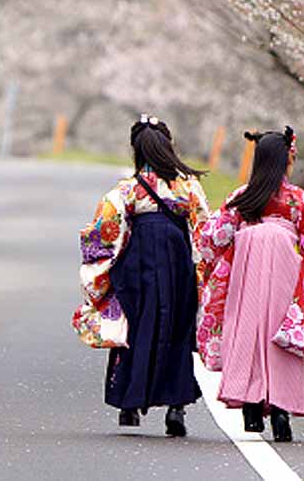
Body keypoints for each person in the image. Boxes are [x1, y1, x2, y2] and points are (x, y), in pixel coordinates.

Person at [196, 127, 304, 442]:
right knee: (280, 330)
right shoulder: (299, 199)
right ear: (287, 161)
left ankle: (249, 402)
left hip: (245, 264)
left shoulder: (243, 197)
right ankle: (280, 409)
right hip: (284, 264)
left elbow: (213, 237)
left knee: (245, 327)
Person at [73, 115, 210, 436]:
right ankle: (177, 406)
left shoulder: (127, 190)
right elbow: (206, 229)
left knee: (135, 328)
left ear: (136, 150)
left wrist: (99, 261)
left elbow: (104, 231)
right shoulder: (188, 186)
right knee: (178, 329)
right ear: (168, 148)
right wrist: (204, 273)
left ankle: (130, 403)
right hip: (177, 265)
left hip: (138, 266)